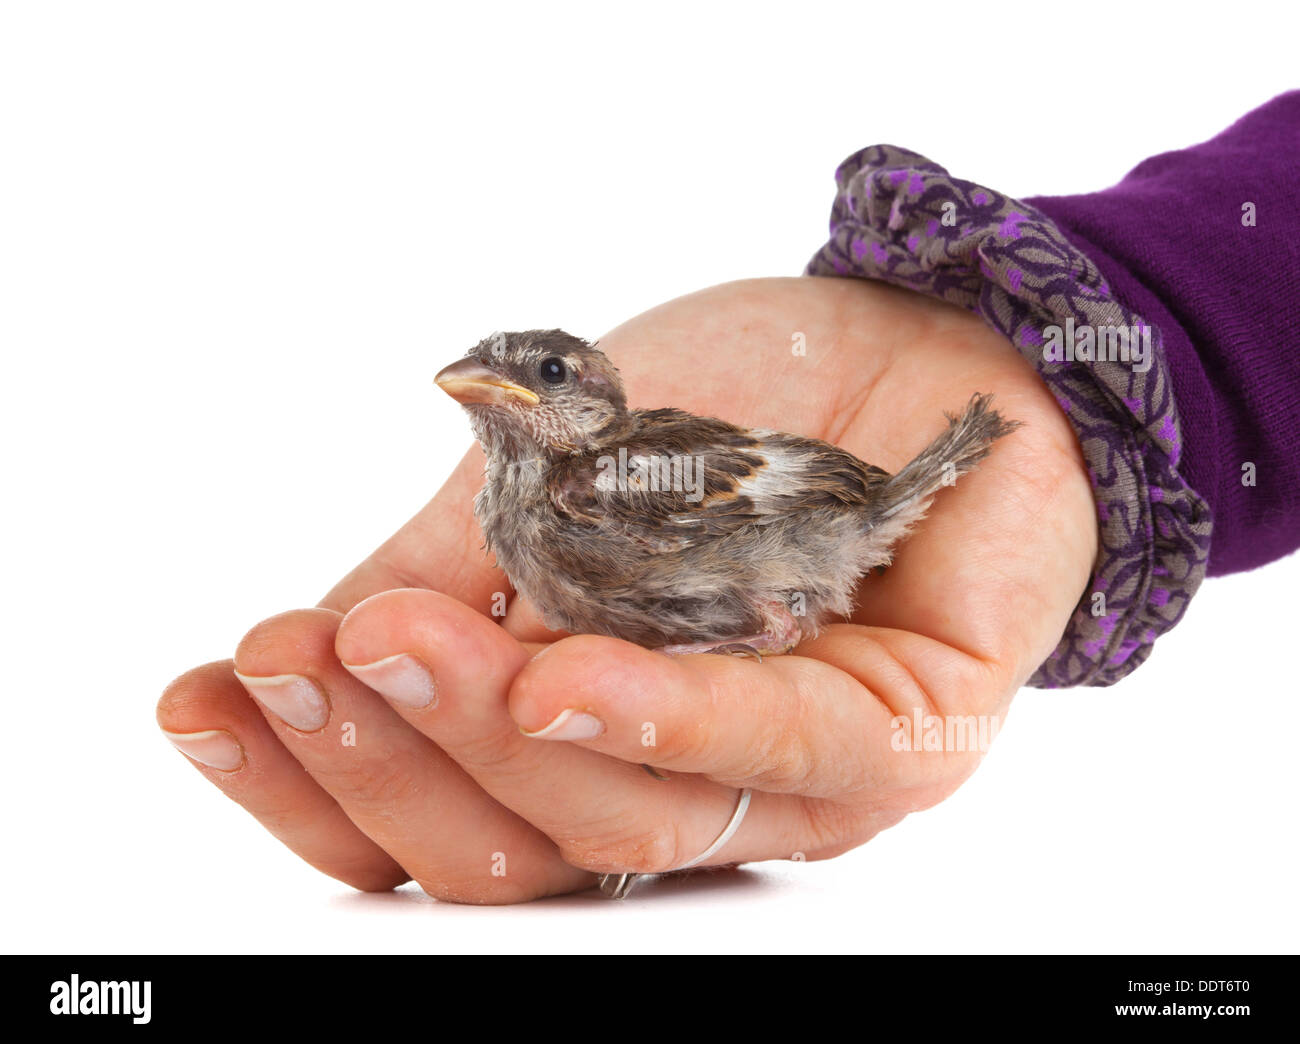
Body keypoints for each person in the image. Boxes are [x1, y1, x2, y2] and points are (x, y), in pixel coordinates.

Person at [156, 93, 1299, 904]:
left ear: (593, 395)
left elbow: (789, 487)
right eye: (492, 375)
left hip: (819, 530)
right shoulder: (517, 510)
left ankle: (760, 633)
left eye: (543, 375)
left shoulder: (599, 486)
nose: (501, 389)